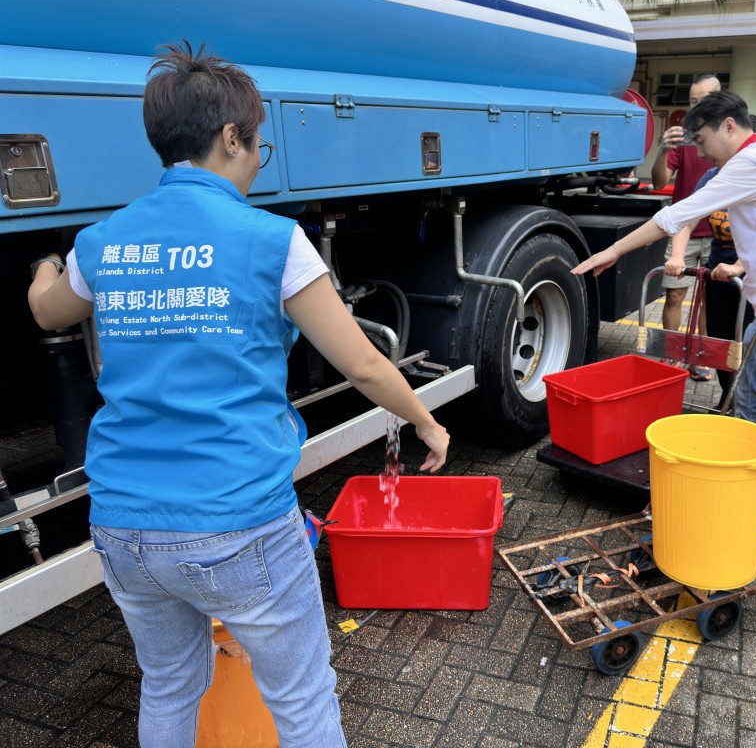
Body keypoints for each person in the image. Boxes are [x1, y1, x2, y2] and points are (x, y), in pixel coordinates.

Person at [27, 41, 450, 748]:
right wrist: (429, 425)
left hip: (125, 526)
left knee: (167, 685)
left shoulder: (105, 242)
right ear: (231, 138)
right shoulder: (272, 240)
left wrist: (46, 261)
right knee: (304, 700)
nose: (259, 161)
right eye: (259, 146)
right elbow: (366, 367)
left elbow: (48, 310)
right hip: (237, 523)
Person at [574, 91, 756, 524]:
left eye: (701, 140)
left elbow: (675, 216)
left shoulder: (750, 162)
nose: (698, 151)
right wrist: (740, 264)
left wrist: (613, 251)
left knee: (755, 394)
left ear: (729, 127)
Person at [666, 116, 756, 412]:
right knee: (721, 342)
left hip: (753, 280)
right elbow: (686, 218)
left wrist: (739, 266)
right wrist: (678, 256)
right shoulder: (712, 178)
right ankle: (727, 394)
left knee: (745, 342)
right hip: (719, 273)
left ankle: (746, 401)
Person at [651, 74, 721, 381]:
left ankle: (700, 356)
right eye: (694, 100)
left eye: (705, 99)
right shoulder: (684, 137)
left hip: (721, 233)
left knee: (709, 299)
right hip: (684, 232)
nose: (699, 106)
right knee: (675, 296)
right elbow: (658, 182)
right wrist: (662, 149)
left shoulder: (729, 137)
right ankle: (672, 353)